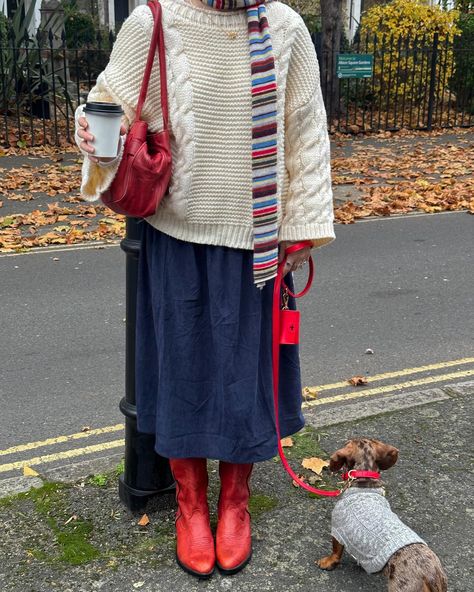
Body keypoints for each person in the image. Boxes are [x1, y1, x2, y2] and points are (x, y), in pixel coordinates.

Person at [75, 0, 335, 580]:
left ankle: (235, 502)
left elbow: (307, 134)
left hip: (260, 240)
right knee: (183, 372)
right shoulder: (154, 22)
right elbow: (105, 105)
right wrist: (93, 137)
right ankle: (192, 505)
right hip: (177, 235)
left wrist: (302, 227)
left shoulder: (286, 27)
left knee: (247, 378)